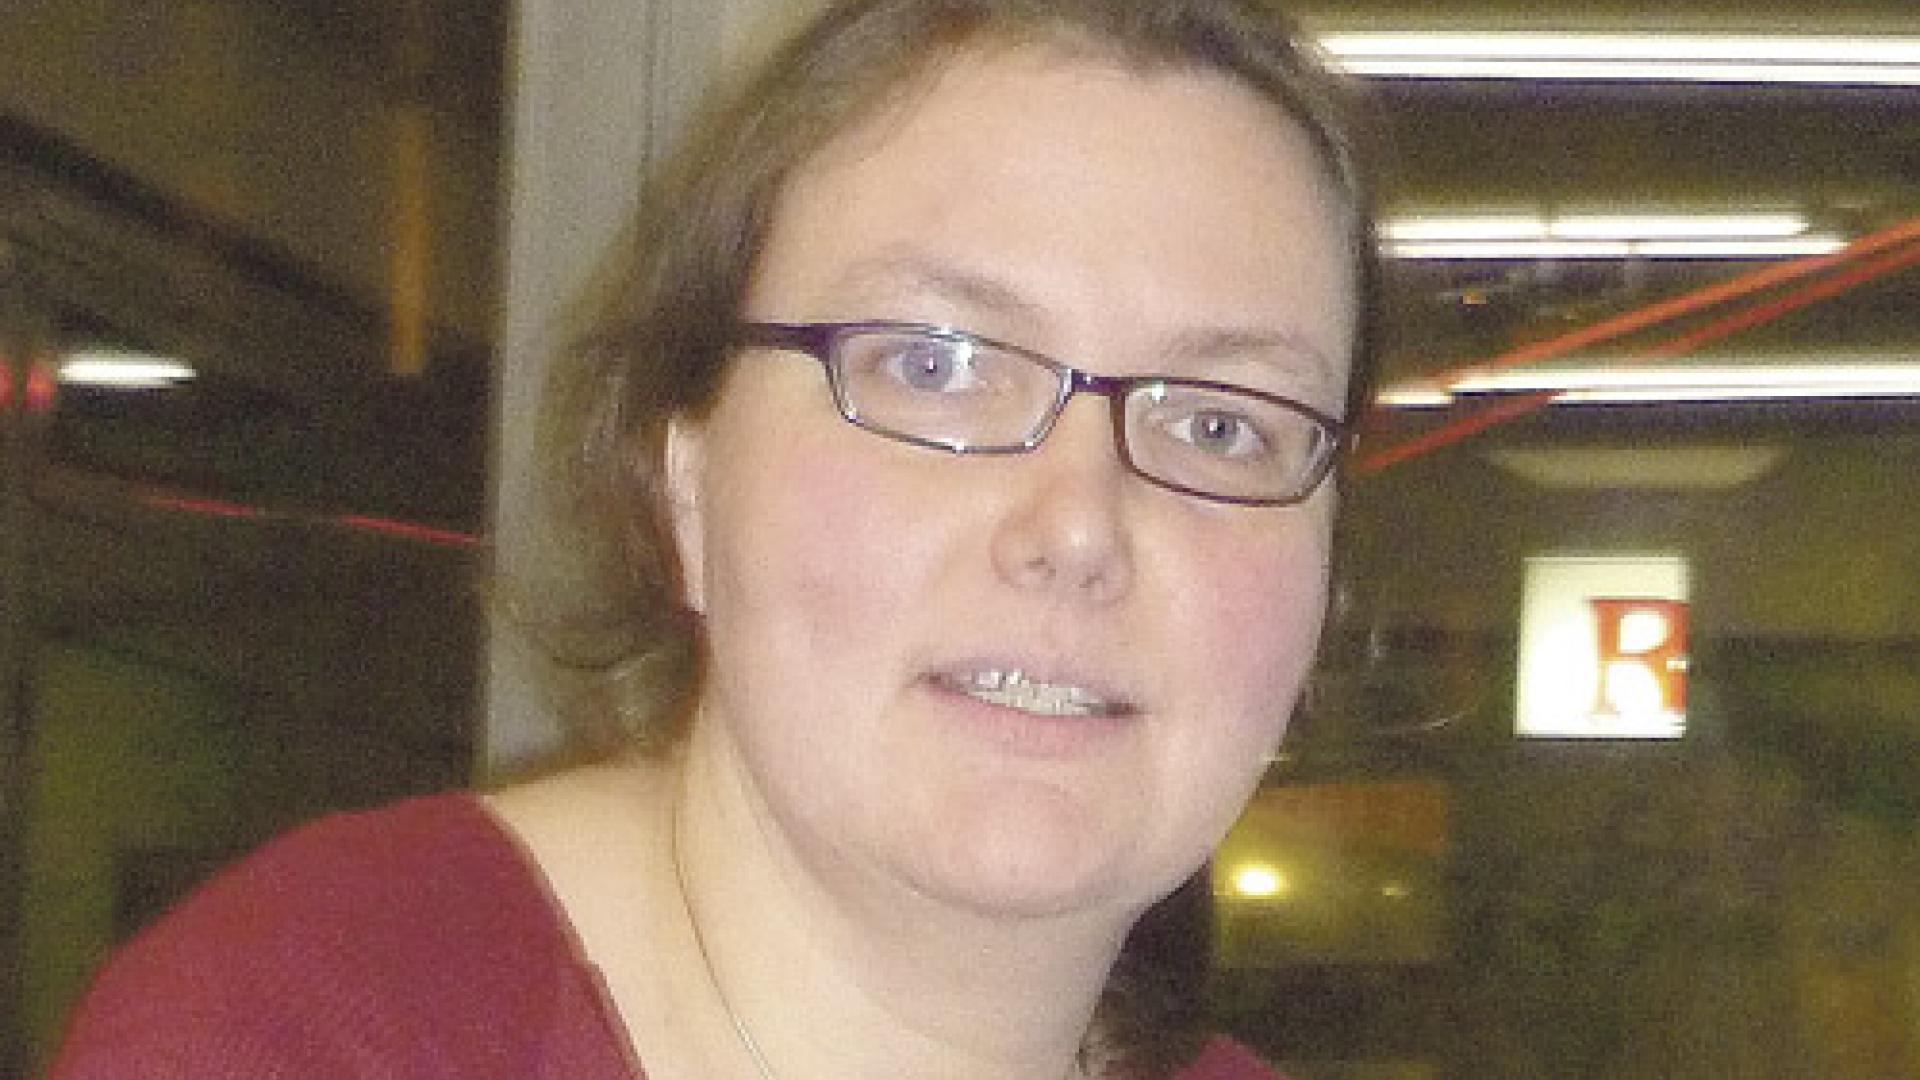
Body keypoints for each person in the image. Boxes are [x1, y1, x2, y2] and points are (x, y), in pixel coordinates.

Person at [50, 0, 1379, 1076]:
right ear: (685, 481)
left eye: (1223, 426)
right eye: (933, 365)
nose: (1080, 524)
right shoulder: (310, 1028)